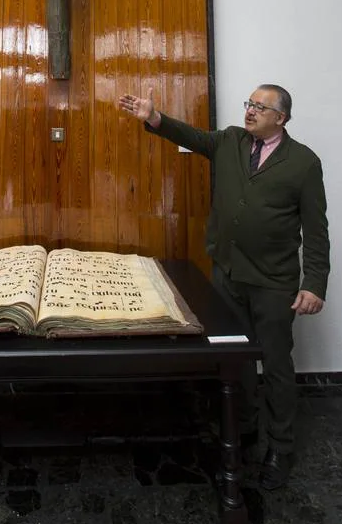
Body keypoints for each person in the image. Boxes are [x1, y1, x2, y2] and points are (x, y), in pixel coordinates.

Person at [118, 84, 330, 490]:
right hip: (228, 275)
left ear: (281, 118)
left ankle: (281, 447)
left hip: (273, 283)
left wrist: (314, 283)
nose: (250, 111)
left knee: (277, 364)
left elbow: (316, 230)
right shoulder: (231, 140)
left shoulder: (303, 163)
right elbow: (191, 137)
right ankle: (244, 431)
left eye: (260, 107)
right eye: (249, 103)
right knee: (236, 359)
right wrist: (154, 117)